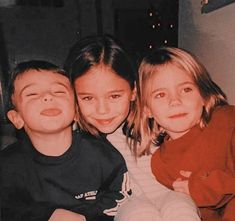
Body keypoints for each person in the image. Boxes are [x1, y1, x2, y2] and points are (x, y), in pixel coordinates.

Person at [64, 35, 201, 221]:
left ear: (133, 91)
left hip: (171, 194)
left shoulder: (153, 116)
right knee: (142, 215)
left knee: (181, 210)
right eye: (88, 98)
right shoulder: (72, 132)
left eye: (114, 96)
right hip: (125, 204)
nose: (102, 110)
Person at [0, 60, 130, 221]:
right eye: (32, 94)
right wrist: (47, 215)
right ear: (16, 118)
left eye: (59, 92)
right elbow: (7, 208)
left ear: (76, 111)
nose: (48, 97)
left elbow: (120, 195)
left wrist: (85, 216)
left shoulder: (102, 155)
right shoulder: (8, 165)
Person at [135, 46, 235, 221]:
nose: (175, 101)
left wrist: (202, 186)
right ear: (146, 109)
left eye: (186, 89)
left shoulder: (227, 121)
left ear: (203, 95)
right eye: (160, 94)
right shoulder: (161, 165)